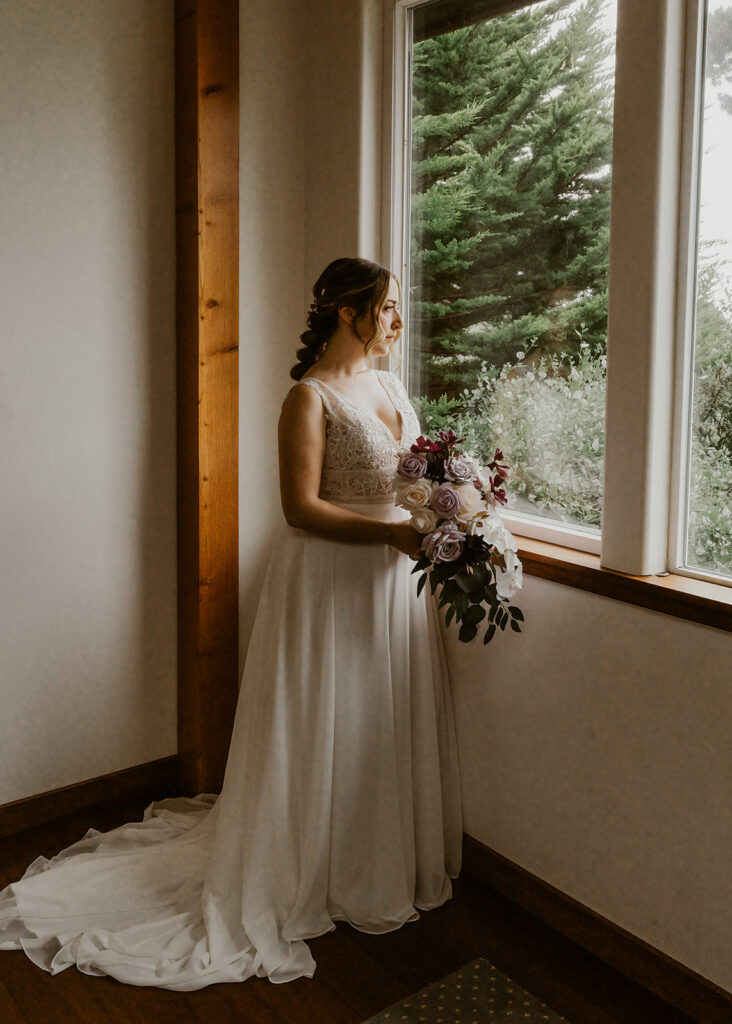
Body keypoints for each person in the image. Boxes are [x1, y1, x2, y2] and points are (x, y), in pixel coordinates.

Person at [0, 257, 462, 990]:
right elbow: (299, 509)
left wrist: (450, 508)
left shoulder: (389, 384)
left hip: (390, 582)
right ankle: (302, 863)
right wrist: (389, 535)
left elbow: (414, 476)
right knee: (323, 720)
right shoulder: (307, 400)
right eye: (391, 306)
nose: (400, 320)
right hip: (330, 579)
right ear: (350, 312)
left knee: (374, 719)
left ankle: (366, 858)